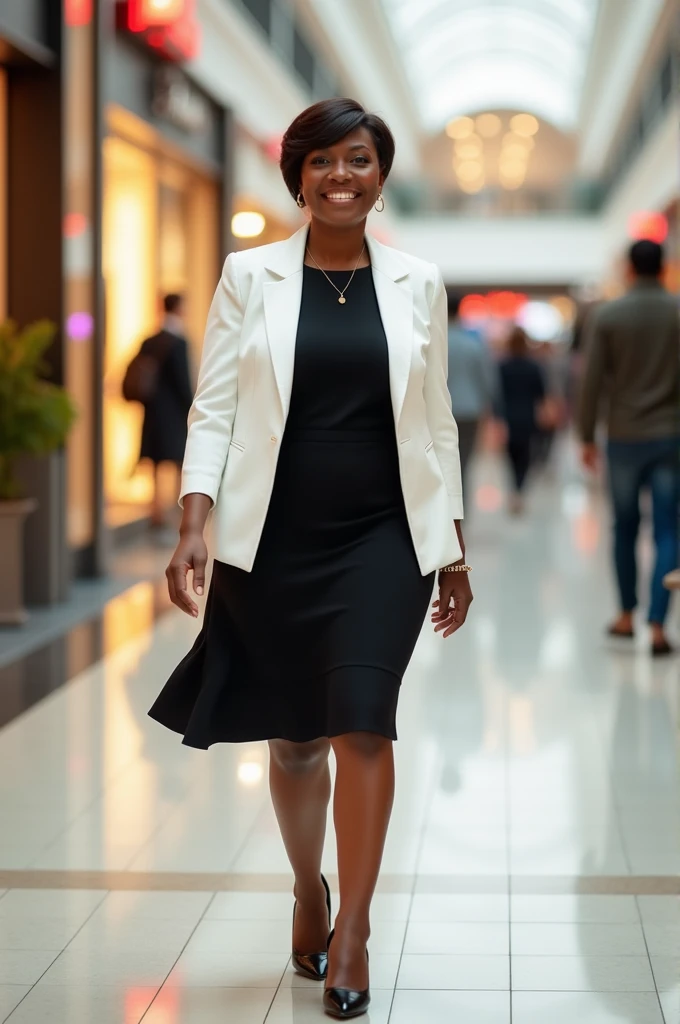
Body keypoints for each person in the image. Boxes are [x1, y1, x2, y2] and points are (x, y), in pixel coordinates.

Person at [148, 97, 472, 1020]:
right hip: (272, 538)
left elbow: (436, 420)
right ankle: (307, 889)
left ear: (381, 174)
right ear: (298, 175)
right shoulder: (249, 276)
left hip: (383, 538)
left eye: (359, 160)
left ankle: (356, 930)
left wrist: (451, 545)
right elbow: (214, 407)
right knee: (294, 738)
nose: (341, 176)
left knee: (364, 721)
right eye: (324, 161)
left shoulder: (419, 282)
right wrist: (193, 520)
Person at [577, 240, 679, 656]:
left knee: (625, 525)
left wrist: (585, 435)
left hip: (622, 436)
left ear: (629, 269)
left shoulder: (609, 315)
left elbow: (592, 380)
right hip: (672, 435)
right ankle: (657, 624)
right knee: (668, 529)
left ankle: (625, 615)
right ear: (664, 267)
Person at [139, 294, 194, 531]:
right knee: (179, 460)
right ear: (178, 308)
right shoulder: (179, 342)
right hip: (173, 413)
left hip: (153, 411)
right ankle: (174, 510)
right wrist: (191, 408)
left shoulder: (149, 340)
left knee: (155, 462)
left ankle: (155, 509)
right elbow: (183, 381)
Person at [446, 292, 496, 497]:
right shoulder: (473, 344)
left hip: (439, 410)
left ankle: (444, 510)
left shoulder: (431, 341)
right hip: (469, 411)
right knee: (463, 463)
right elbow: (487, 380)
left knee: (441, 462)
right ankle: (460, 512)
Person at [498, 326, 546, 513]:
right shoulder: (533, 367)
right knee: (525, 457)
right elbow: (541, 394)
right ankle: (519, 489)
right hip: (528, 417)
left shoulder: (503, 367)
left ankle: (514, 489)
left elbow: (497, 394)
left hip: (508, 417)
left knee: (511, 457)